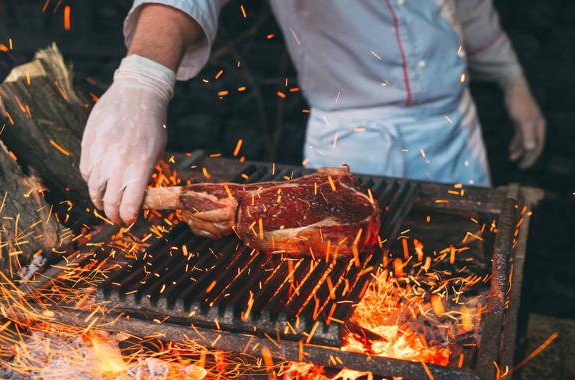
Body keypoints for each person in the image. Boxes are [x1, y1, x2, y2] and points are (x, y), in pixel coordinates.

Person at [80, 0, 545, 225]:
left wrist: (513, 81)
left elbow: (468, 7)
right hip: (356, 136)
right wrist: (144, 76)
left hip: (453, 126)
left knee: (462, 284)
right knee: (356, 294)